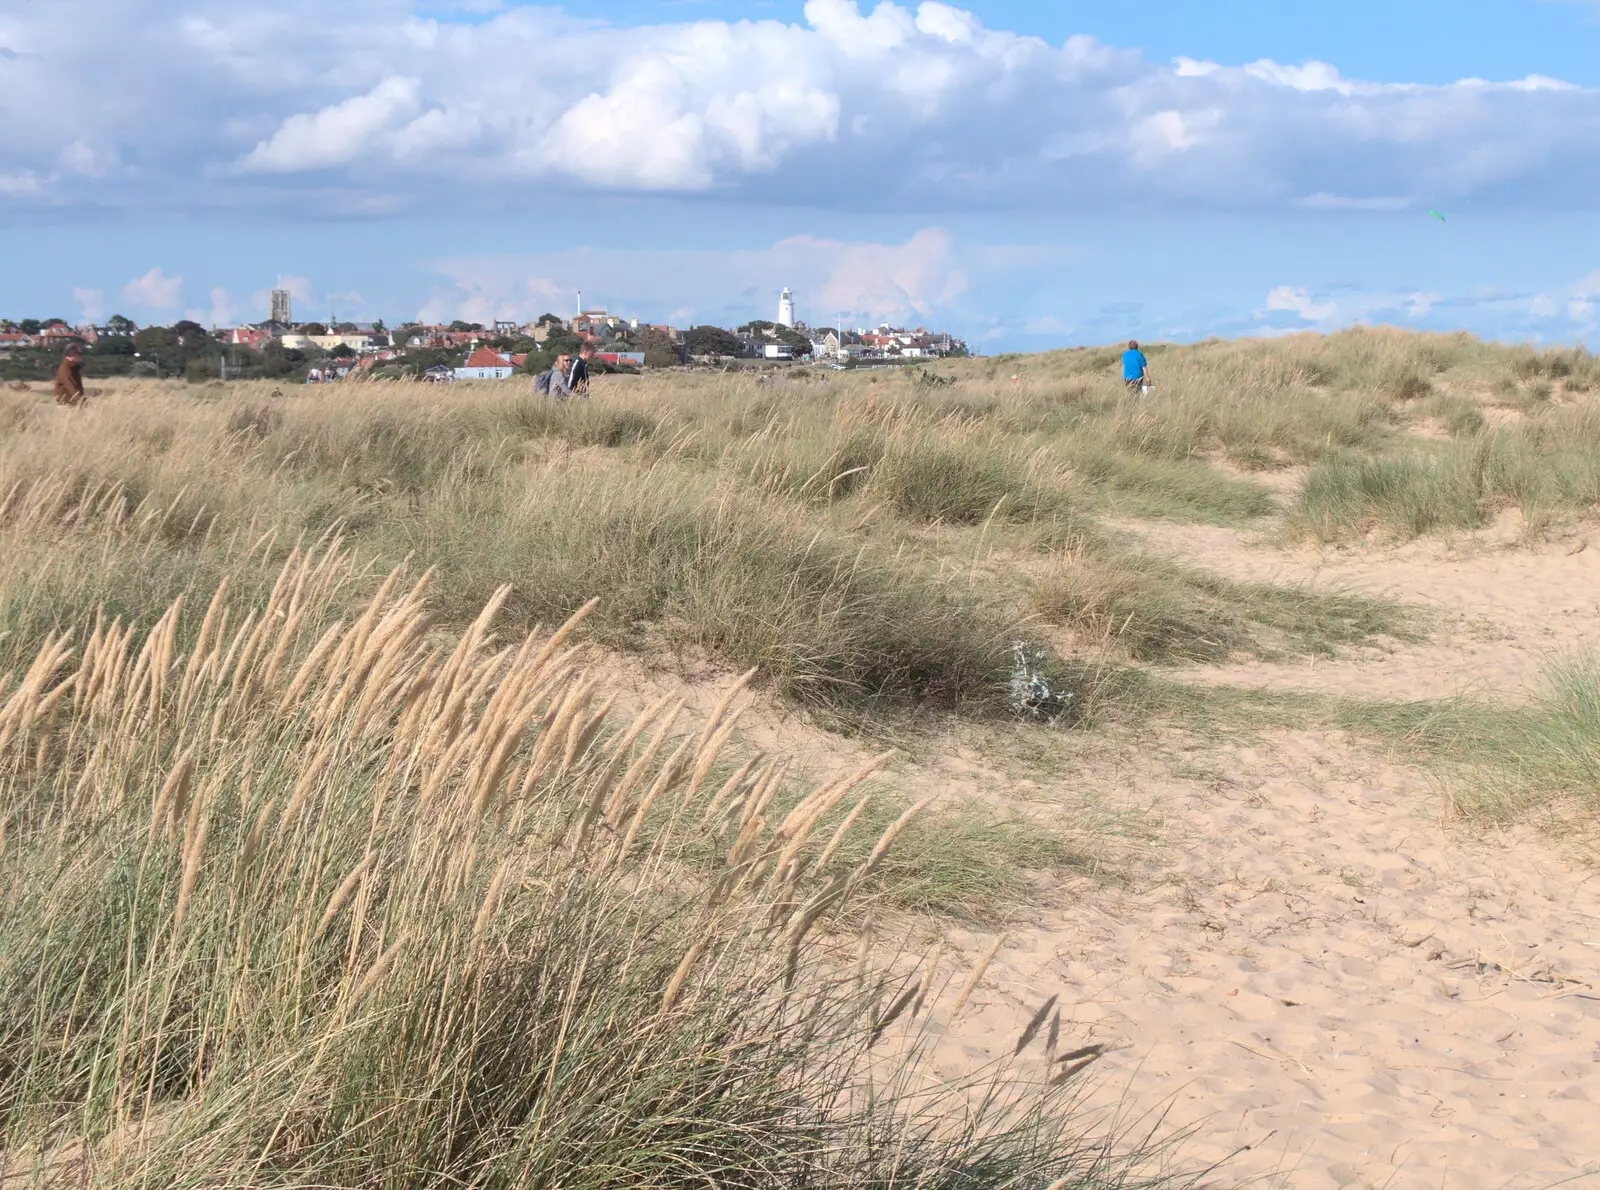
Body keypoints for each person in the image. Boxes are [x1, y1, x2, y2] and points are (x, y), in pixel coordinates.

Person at [53, 342, 87, 406]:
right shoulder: (65, 368)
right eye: (79, 355)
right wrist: (81, 400)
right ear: (73, 355)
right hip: (66, 402)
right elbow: (69, 385)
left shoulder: (73, 367)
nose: (81, 357)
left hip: (72, 401)